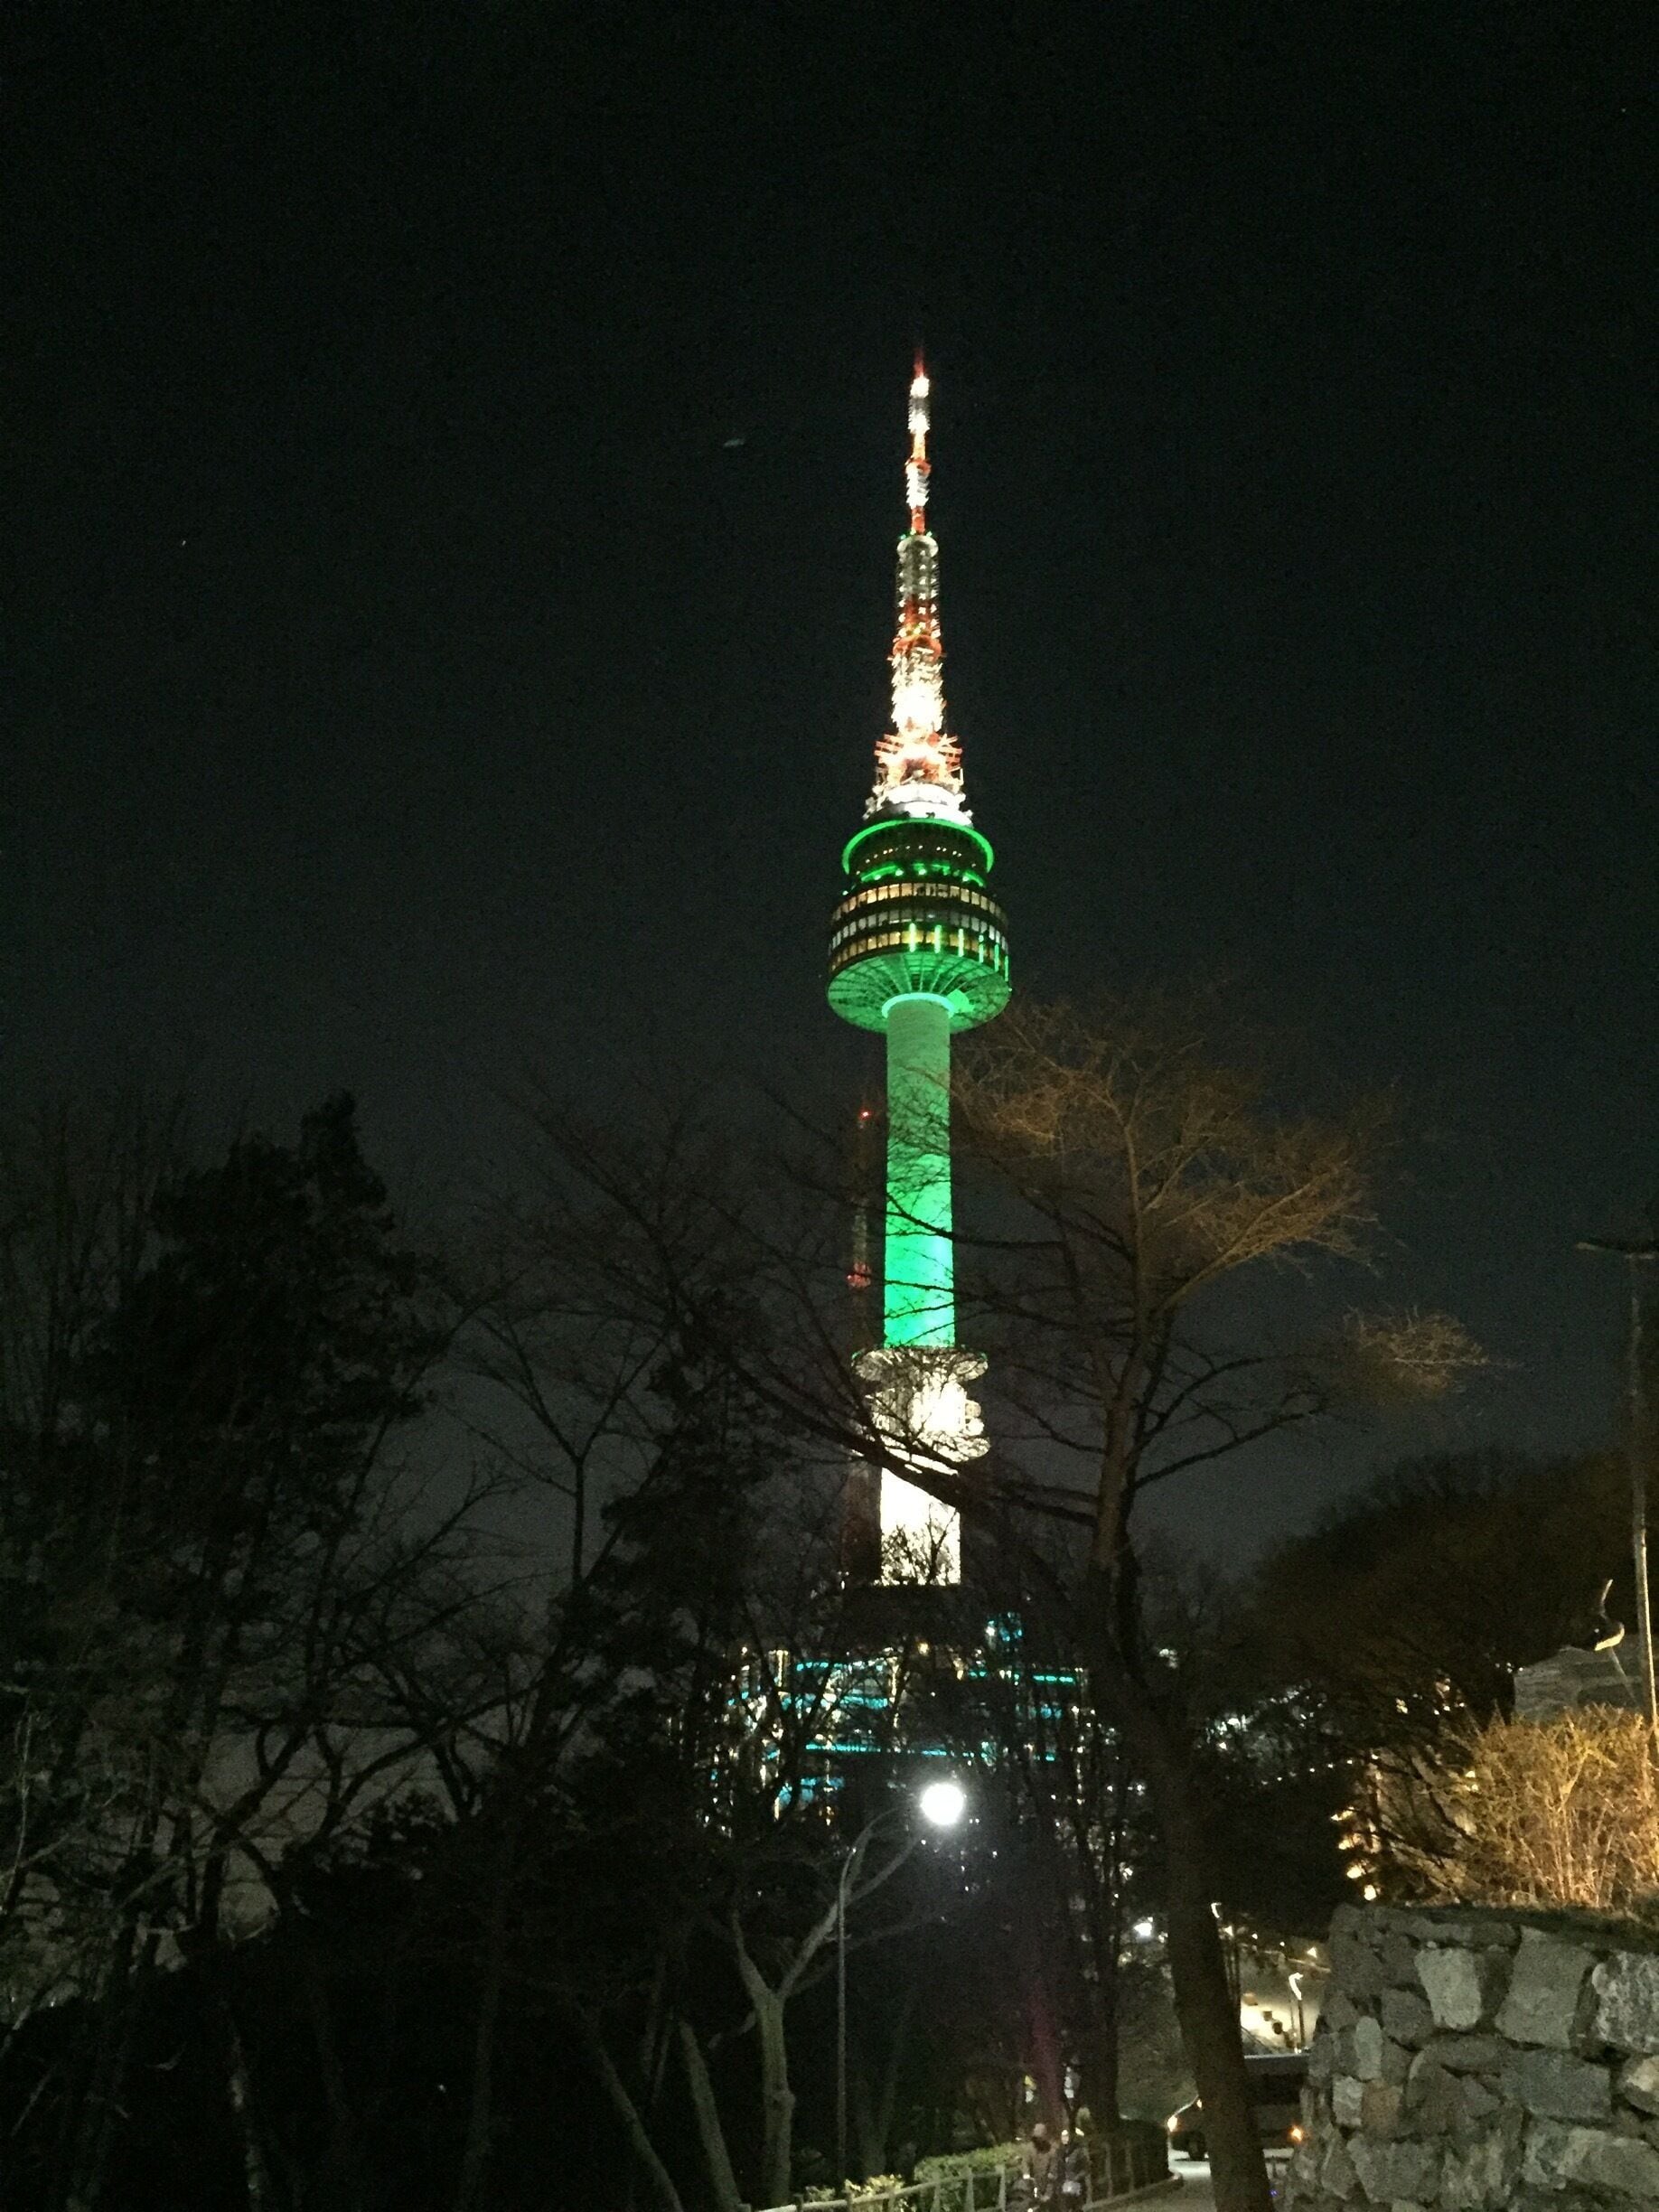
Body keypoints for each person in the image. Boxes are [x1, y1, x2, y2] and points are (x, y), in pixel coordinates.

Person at [1015, 2121, 1059, 2208]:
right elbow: (1025, 2162)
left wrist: (1048, 2194)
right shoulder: (1030, 2149)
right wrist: (1026, 2174)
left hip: (1047, 2186)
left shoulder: (1051, 2151)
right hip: (1032, 2186)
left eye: (1040, 2137)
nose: (1039, 2140)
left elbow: (1053, 2173)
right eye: (1037, 2137)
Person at [1056, 2124, 1089, 2207]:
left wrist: (1077, 2178)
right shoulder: (1059, 2152)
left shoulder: (1078, 2151)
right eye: (1063, 2136)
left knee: (1076, 2207)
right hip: (1064, 2187)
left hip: (1076, 2185)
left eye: (1066, 2136)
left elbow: (1086, 2168)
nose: (1064, 2138)